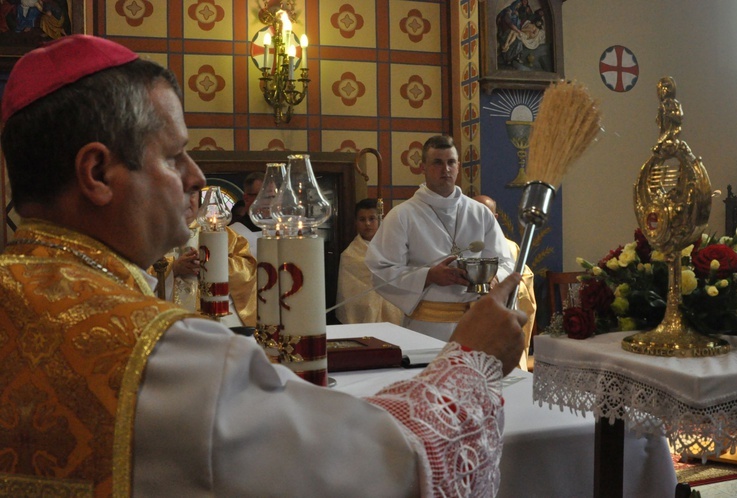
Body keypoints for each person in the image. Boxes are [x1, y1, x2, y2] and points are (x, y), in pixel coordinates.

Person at [0, 35, 527, 496]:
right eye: (174, 156)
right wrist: (470, 363)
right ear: (97, 173)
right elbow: (373, 469)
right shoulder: (165, 355)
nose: (196, 176)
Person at [366, 134, 516, 342]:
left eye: (450, 162)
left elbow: (506, 261)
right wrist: (428, 276)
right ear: (423, 167)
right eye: (437, 163)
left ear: (458, 166)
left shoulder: (480, 213)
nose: (445, 170)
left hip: (478, 324)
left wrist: (494, 278)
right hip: (426, 329)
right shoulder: (403, 215)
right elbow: (380, 270)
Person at [156, 189, 258, 328]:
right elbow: (134, 274)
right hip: (167, 321)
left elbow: (248, 269)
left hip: (218, 321)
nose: (187, 200)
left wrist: (215, 263)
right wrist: (173, 268)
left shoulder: (222, 233)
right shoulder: (152, 235)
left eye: (191, 193)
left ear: (198, 198)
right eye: (179, 192)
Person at [473, 194, 537, 370]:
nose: (480, 219)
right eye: (475, 213)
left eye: (485, 214)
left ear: (495, 218)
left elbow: (525, 282)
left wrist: (497, 281)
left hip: (500, 315)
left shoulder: (509, 247)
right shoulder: (461, 244)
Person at [335, 198, 404, 325]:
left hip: (394, 308)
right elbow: (349, 293)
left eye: (372, 219)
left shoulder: (396, 248)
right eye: (362, 219)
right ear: (355, 222)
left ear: (380, 220)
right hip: (363, 311)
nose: (367, 223)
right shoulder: (349, 255)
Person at [229, 171, 265, 256]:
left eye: (272, 196)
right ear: (246, 198)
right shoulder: (233, 233)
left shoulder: (283, 232)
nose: (268, 202)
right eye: (262, 195)